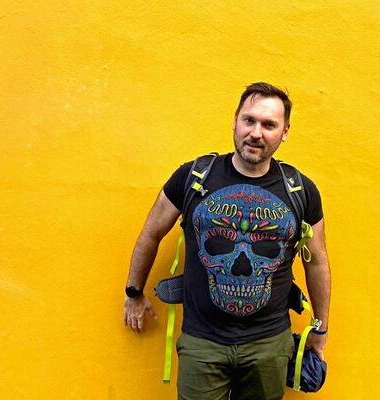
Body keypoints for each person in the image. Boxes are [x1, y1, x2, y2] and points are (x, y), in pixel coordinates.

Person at [123, 82, 331, 400]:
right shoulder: (193, 177)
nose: (256, 133)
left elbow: (317, 263)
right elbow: (151, 234)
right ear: (235, 120)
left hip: (269, 344)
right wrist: (133, 293)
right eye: (249, 120)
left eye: (269, 125)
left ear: (285, 132)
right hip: (203, 342)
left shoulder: (301, 191)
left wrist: (320, 328)